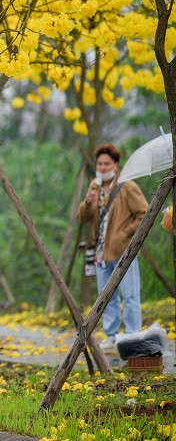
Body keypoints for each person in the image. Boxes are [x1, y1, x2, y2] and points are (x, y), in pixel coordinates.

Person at [78, 143, 148, 353]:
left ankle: (133, 336)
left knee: (130, 296)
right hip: (101, 253)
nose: (101, 167)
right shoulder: (95, 186)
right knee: (105, 297)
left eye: (106, 163)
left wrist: (125, 234)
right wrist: (88, 203)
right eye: (99, 163)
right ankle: (111, 336)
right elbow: (82, 217)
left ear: (116, 166)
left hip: (123, 252)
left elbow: (145, 213)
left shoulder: (128, 187)